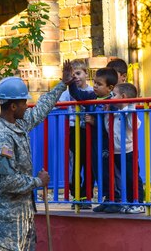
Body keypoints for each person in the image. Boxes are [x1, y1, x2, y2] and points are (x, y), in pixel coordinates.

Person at [0, 61, 73, 251]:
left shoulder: (19, 125)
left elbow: (41, 109)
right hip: (8, 221)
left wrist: (62, 84)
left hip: (23, 214)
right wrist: (38, 182)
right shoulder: (2, 138)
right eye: (24, 102)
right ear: (13, 106)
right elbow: (9, 181)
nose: (27, 106)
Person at [68, 67, 119, 213]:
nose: (95, 86)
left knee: (107, 170)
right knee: (97, 170)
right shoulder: (92, 97)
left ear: (110, 88)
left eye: (99, 84)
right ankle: (106, 198)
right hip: (94, 142)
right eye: (95, 83)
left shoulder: (112, 102)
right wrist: (71, 81)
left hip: (106, 143)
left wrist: (95, 122)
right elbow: (77, 94)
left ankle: (113, 198)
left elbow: (111, 124)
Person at [105, 82, 145, 214]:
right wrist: (106, 113)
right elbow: (108, 128)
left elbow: (134, 125)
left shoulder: (129, 112)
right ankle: (129, 202)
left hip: (128, 151)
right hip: (116, 151)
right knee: (124, 178)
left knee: (132, 177)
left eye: (114, 95)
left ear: (123, 97)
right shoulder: (115, 113)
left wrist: (130, 106)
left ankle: (139, 203)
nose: (111, 97)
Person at [58, 59, 93, 209]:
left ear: (86, 73)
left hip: (89, 130)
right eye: (73, 75)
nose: (76, 77)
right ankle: (77, 195)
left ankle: (87, 195)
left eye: (78, 73)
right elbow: (59, 104)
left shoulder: (92, 91)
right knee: (75, 164)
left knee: (89, 163)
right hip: (74, 129)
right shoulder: (67, 93)